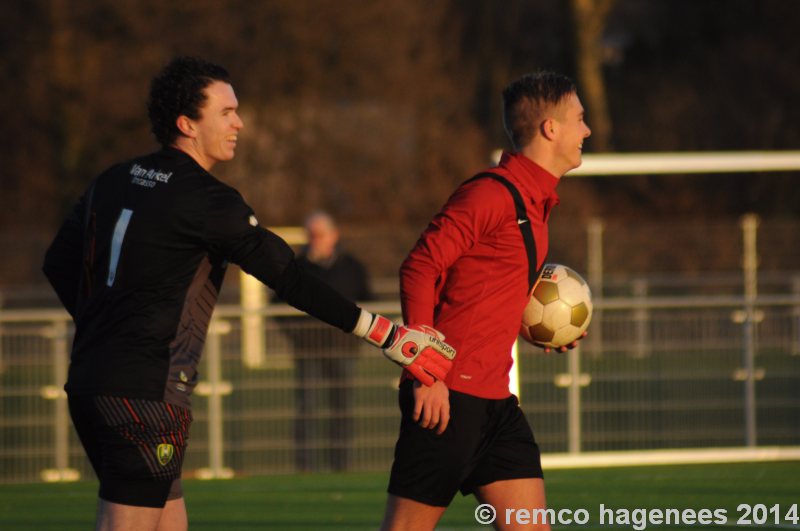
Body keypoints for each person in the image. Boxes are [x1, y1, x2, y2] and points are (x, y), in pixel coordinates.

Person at [41, 56, 455, 531]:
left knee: (169, 520)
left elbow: (57, 263)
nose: (239, 122)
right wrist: (385, 334)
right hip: (147, 392)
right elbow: (291, 279)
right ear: (186, 124)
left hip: (91, 379)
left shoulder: (112, 178)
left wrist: (104, 330)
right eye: (225, 112)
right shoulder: (209, 200)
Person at [380, 71, 591, 531]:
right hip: (448, 400)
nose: (587, 131)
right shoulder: (489, 194)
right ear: (550, 128)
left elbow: (476, 294)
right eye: (579, 119)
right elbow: (419, 266)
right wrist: (426, 370)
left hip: (497, 405)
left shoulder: (535, 207)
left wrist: (536, 326)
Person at [289, 211, 372, 472]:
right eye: (311, 235)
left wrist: (357, 335)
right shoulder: (296, 267)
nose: (316, 240)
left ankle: (341, 466)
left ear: (334, 235)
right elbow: (278, 308)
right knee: (308, 409)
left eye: (321, 234)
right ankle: (306, 467)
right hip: (309, 351)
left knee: (342, 409)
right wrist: (299, 336)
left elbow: (370, 301)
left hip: (343, 349)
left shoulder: (352, 266)